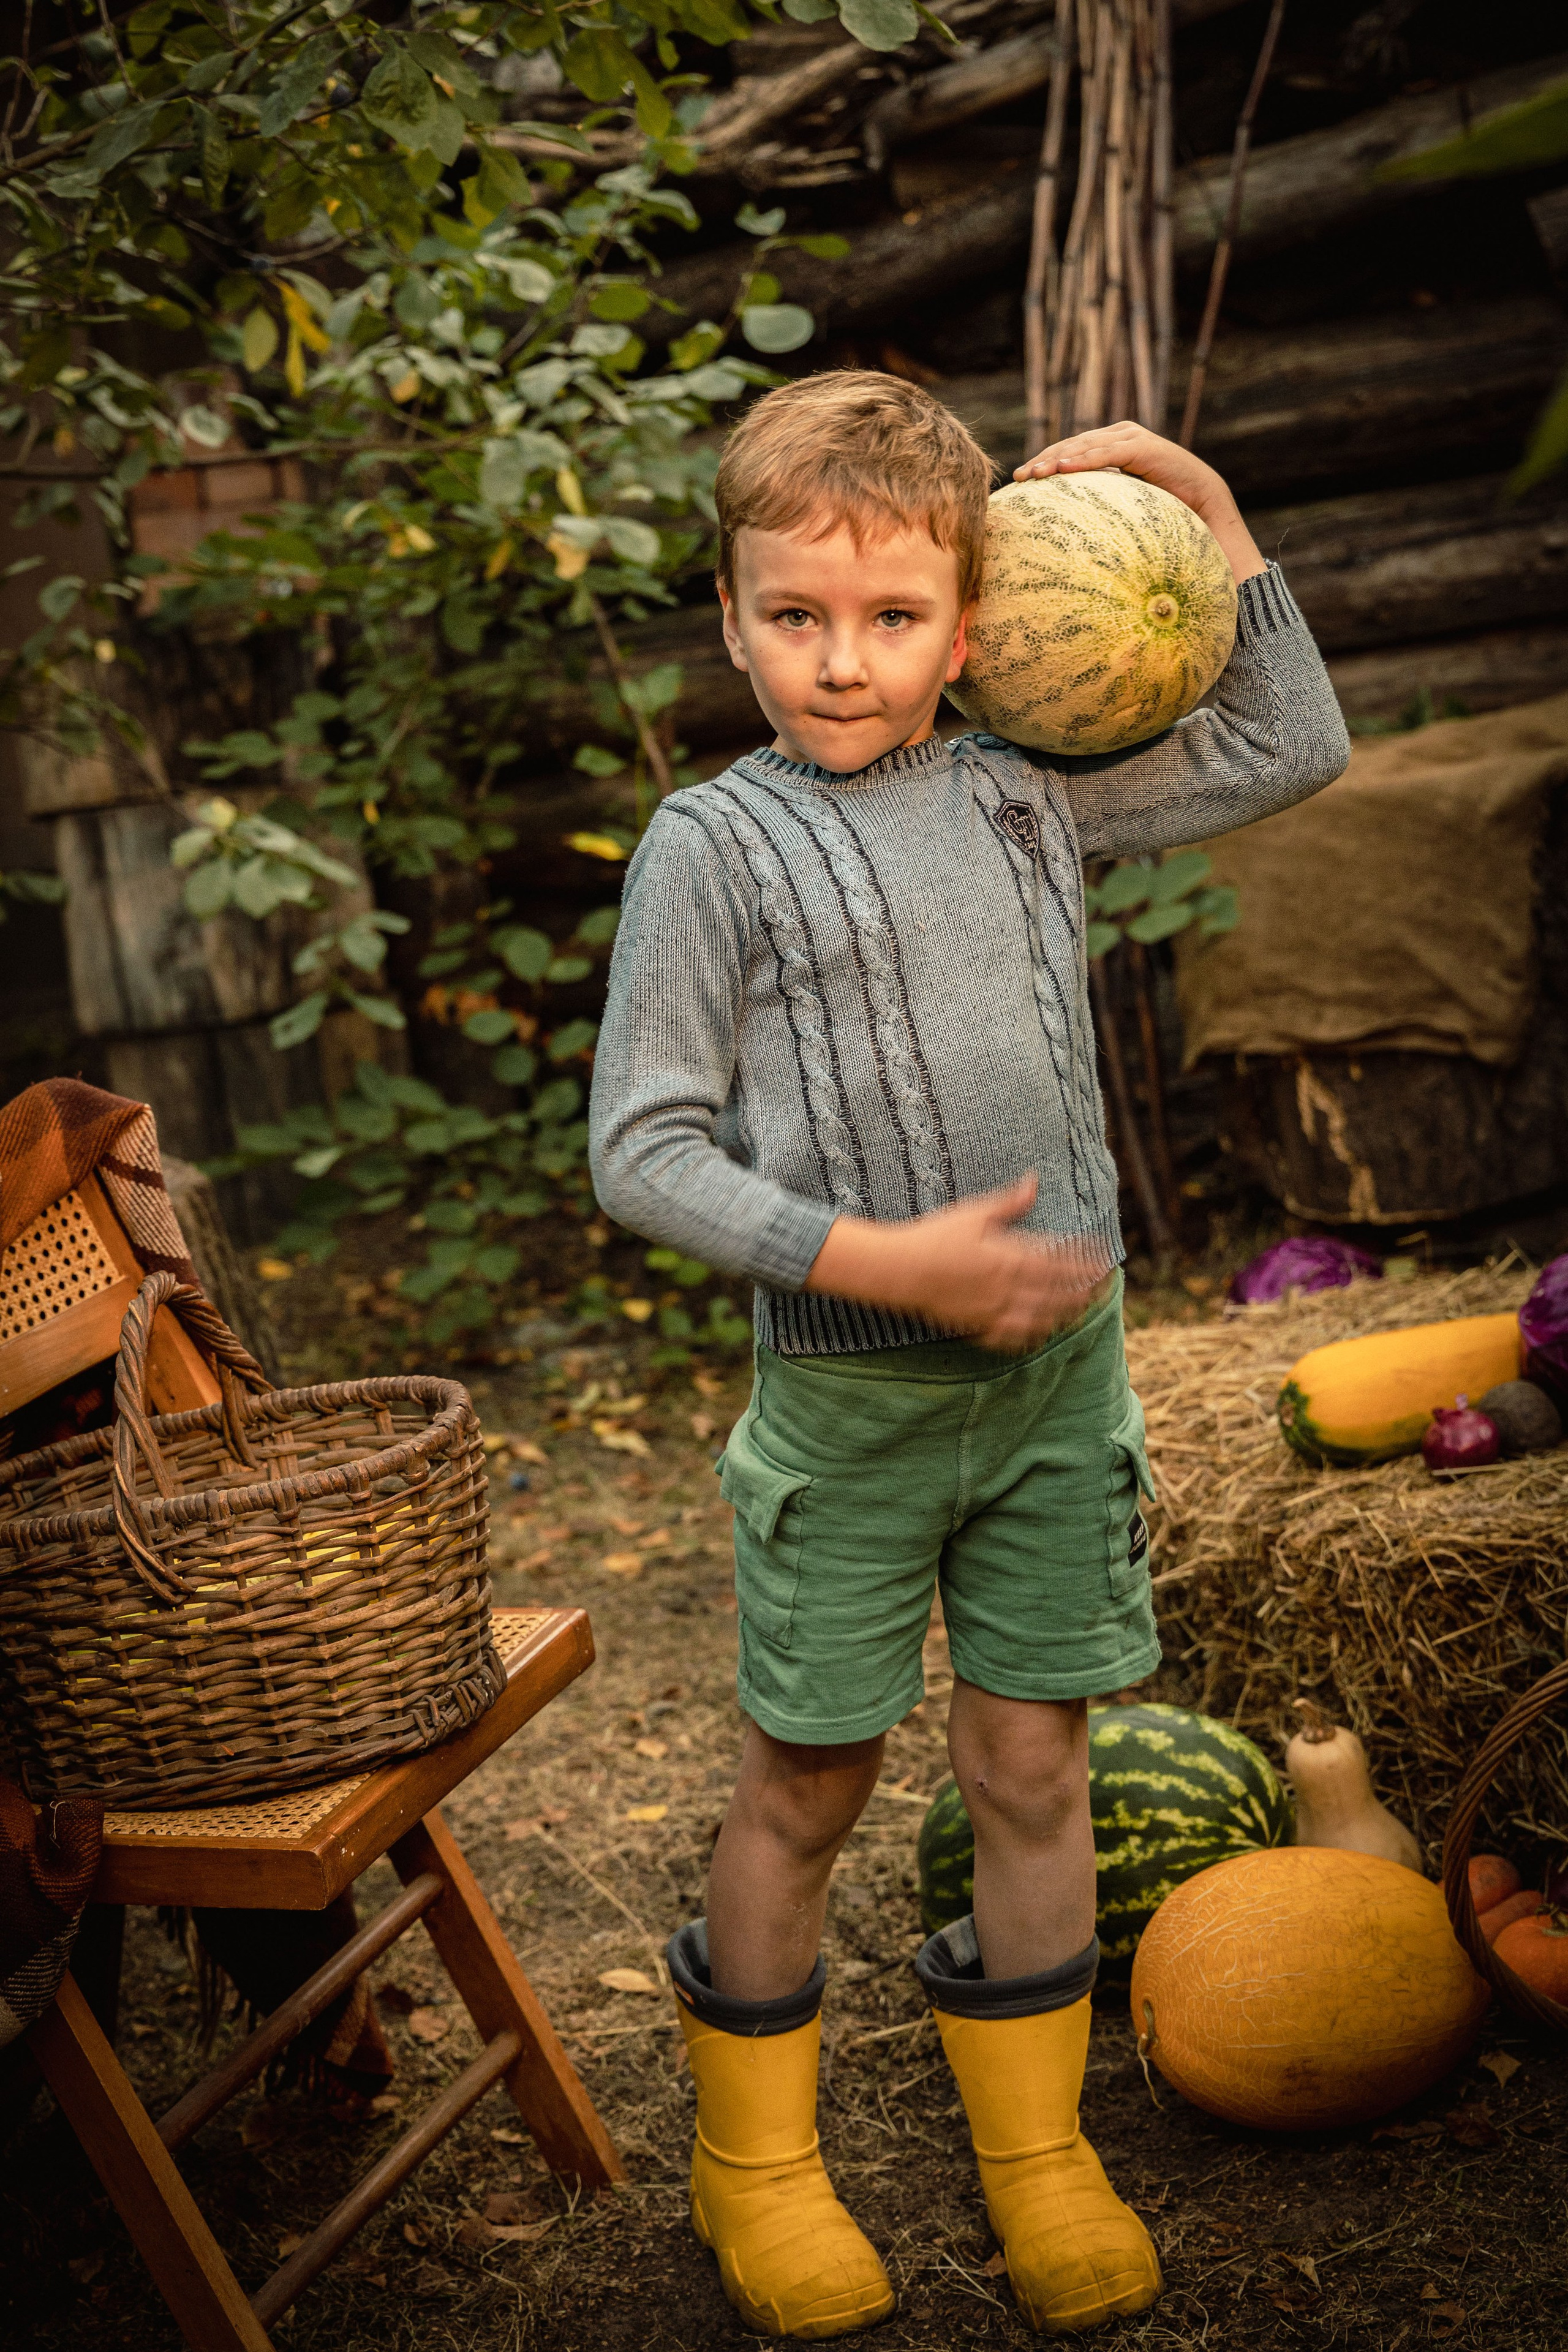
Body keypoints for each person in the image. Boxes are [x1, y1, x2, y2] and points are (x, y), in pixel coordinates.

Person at [588, 371, 1349, 2339]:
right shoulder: (713, 844)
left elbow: (1291, 737)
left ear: (971, 617)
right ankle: (754, 2164)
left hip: (1054, 1397)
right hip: (851, 1409)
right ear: (732, 614)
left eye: (896, 617)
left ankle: (1040, 2151)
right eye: (795, 618)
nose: (844, 665)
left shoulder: (1028, 784)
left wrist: (1193, 491)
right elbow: (642, 1148)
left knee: (1033, 1767)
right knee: (812, 1790)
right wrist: (875, 1259)